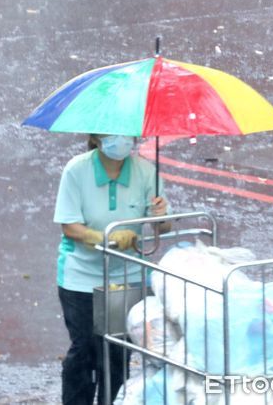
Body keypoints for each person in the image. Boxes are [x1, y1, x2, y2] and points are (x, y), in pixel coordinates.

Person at [54, 133, 171, 405]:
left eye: (125, 132)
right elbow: (70, 227)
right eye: (111, 132)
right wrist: (107, 239)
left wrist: (160, 215)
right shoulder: (77, 170)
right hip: (81, 276)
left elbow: (164, 227)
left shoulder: (145, 171)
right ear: (96, 137)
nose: (120, 139)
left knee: (117, 352)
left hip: (127, 276)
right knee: (84, 350)